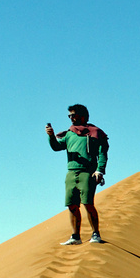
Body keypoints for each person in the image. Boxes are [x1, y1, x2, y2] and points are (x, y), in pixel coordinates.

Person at [46, 104, 108, 245]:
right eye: (69, 116)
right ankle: (75, 236)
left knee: (87, 203)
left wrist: (100, 170)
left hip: (88, 172)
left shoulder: (96, 132)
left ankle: (96, 234)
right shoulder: (69, 134)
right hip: (71, 172)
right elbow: (56, 147)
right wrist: (51, 136)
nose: (71, 118)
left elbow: (102, 153)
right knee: (72, 205)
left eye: (73, 115)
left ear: (82, 116)